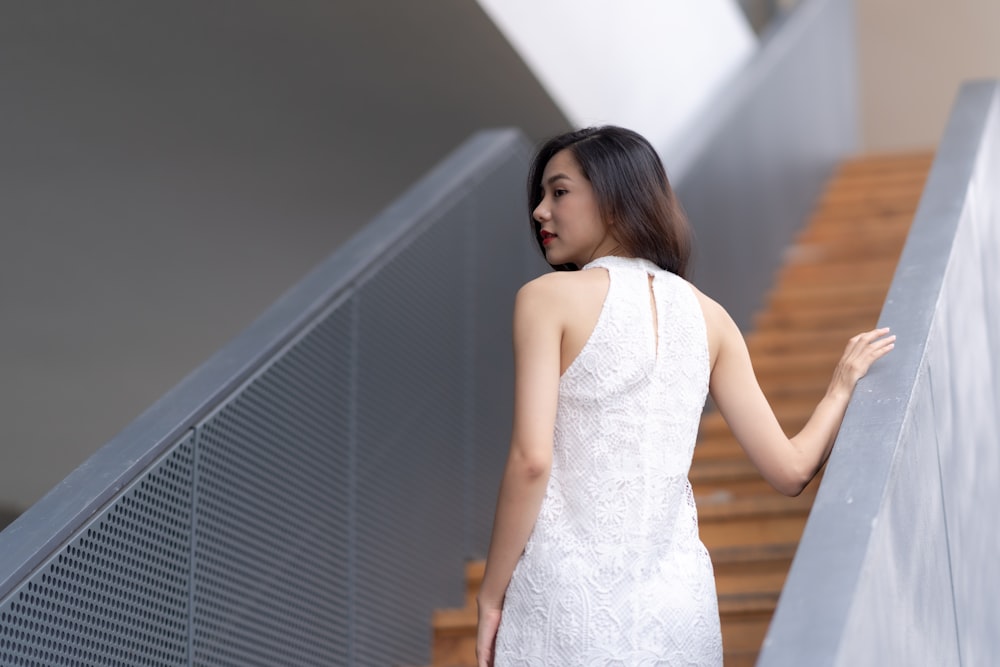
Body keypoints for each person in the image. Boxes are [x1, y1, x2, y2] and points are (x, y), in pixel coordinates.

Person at [475, 126, 895, 666]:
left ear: (614, 197)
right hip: (677, 610)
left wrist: (490, 597)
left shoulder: (547, 299)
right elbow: (791, 470)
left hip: (569, 601)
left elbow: (532, 461)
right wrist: (839, 387)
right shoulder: (711, 317)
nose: (539, 211)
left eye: (558, 192)